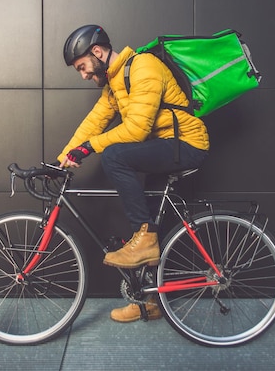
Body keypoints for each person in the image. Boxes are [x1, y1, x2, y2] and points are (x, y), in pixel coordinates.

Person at [57, 24, 210, 322]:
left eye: (83, 67)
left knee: (114, 157)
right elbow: (94, 122)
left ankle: (146, 241)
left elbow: (137, 130)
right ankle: (149, 302)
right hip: (163, 149)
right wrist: (62, 159)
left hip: (187, 144)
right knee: (147, 229)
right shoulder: (114, 84)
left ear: (97, 52)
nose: (84, 74)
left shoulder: (143, 66)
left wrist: (88, 149)